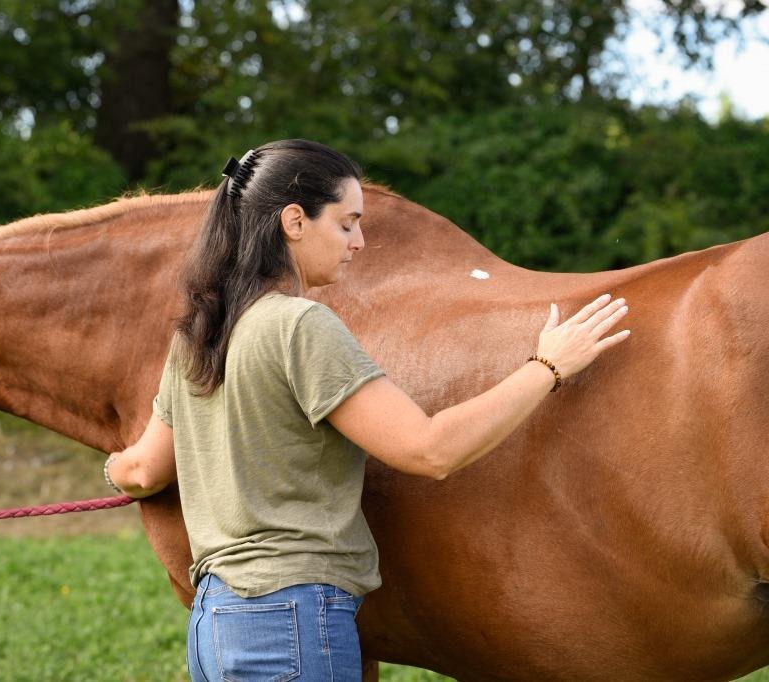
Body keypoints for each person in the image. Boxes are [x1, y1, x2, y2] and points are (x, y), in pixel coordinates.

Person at [103, 139, 630, 681]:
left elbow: (141, 469)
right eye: (347, 222)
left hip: (215, 622)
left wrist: (114, 469)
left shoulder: (197, 335)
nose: (360, 242)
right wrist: (547, 366)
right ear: (294, 221)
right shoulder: (300, 326)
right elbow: (430, 450)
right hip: (293, 620)